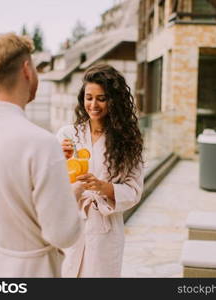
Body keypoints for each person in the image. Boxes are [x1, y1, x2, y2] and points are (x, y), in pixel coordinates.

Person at [0, 33, 83, 277]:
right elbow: (63, 234)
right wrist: (73, 194)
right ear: (27, 70)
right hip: (31, 272)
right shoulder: (42, 144)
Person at [56, 64, 144, 277]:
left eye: (101, 98)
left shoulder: (127, 142)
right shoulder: (67, 135)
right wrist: (58, 158)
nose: (93, 104)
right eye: (88, 97)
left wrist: (105, 188)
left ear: (114, 101)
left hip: (105, 229)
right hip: (71, 224)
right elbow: (49, 185)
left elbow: (134, 191)